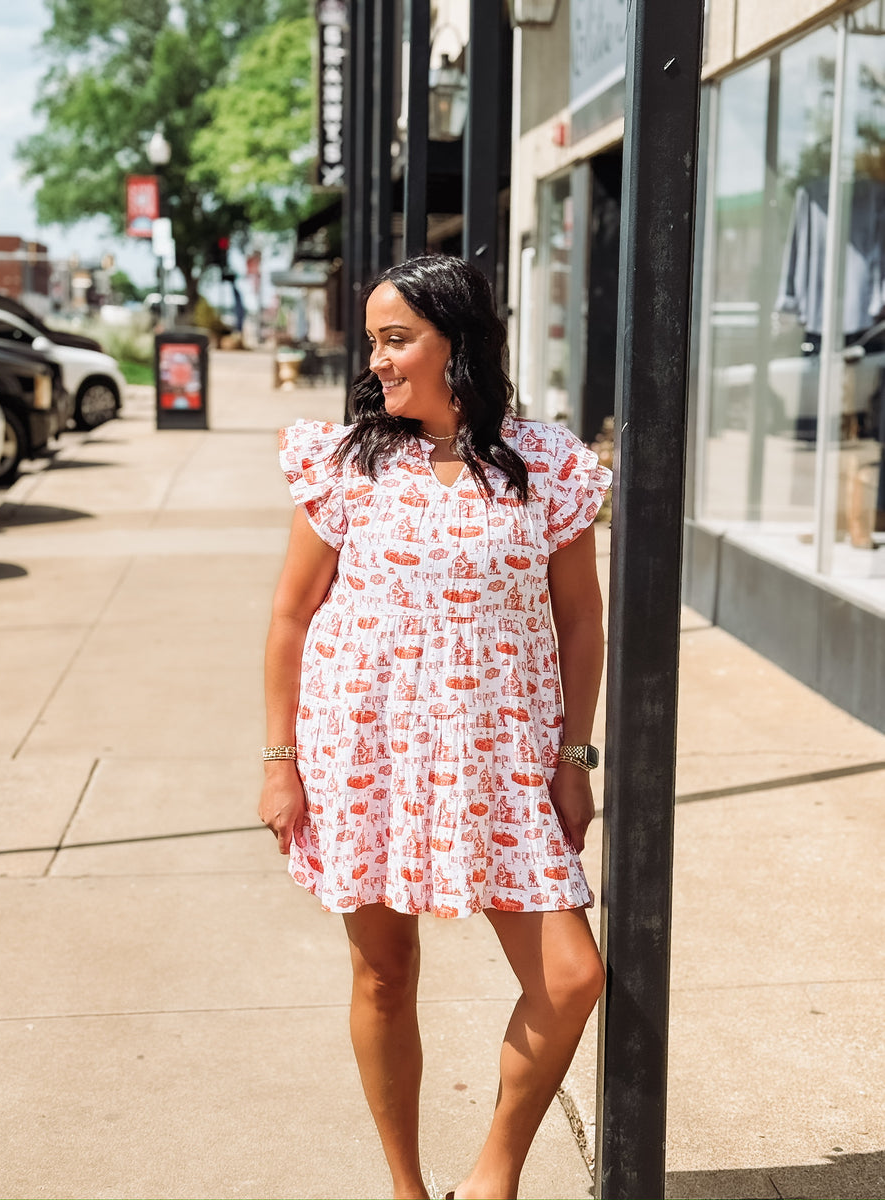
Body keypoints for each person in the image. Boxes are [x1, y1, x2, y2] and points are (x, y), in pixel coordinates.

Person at [259, 254, 612, 1200]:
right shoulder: (347, 463)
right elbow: (292, 617)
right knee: (384, 971)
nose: (375, 360)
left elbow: (581, 621)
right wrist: (281, 759)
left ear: (459, 341)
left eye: (395, 338)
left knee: (572, 976)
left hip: (500, 759)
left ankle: (491, 1178)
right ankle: (406, 1190)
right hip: (363, 749)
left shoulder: (545, 465)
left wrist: (575, 756)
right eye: (371, 340)